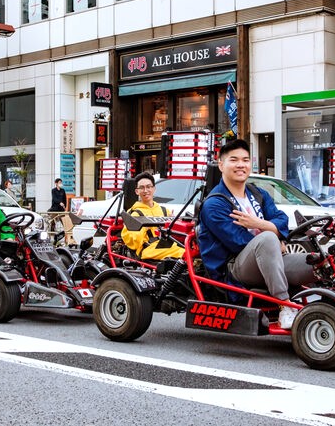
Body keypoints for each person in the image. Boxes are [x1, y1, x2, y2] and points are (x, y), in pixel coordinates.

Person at [197, 139, 315, 329]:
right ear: (221, 165)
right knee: (267, 239)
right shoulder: (215, 203)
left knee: (318, 260)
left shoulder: (258, 194)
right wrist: (273, 238)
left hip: (269, 259)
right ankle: (285, 306)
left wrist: (259, 224)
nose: (240, 165)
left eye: (245, 160)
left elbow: (281, 220)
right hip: (235, 267)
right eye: (233, 160)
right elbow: (238, 241)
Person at [120, 172, 183, 260]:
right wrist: (143, 228)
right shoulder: (134, 214)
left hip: (166, 245)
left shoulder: (164, 211)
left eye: (149, 187)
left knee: (189, 248)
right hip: (147, 249)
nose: (146, 190)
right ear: (137, 191)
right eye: (142, 187)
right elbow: (132, 243)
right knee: (182, 252)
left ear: (154, 189)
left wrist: (174, 223)